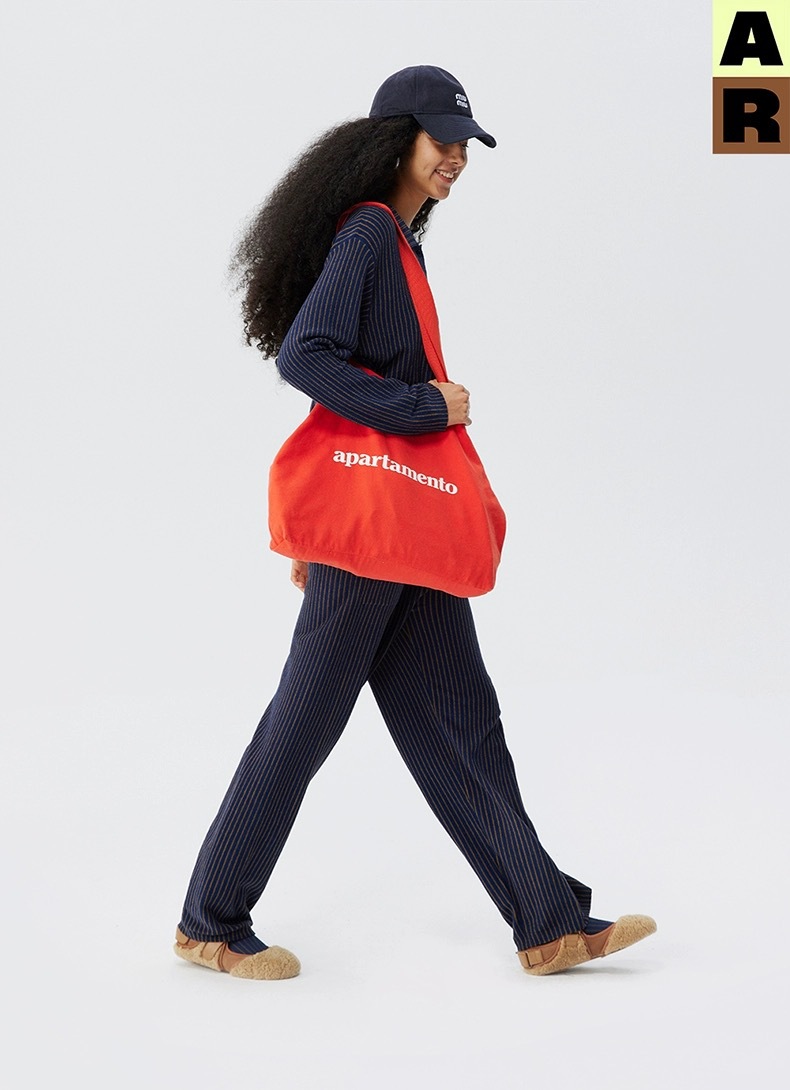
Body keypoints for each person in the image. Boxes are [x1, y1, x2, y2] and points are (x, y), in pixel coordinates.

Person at [173, 65, 656, 981]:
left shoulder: (397, 240)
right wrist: (425, 407)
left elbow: (341, 368)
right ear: (396, 138)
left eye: (466, 142)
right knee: (304, 724)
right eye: (443, 138)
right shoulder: (368, 231)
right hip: (377, 531)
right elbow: (307, 357)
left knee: (460, 721)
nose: (458, 155)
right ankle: (209, 923)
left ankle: (549, 922)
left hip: (398, 529)